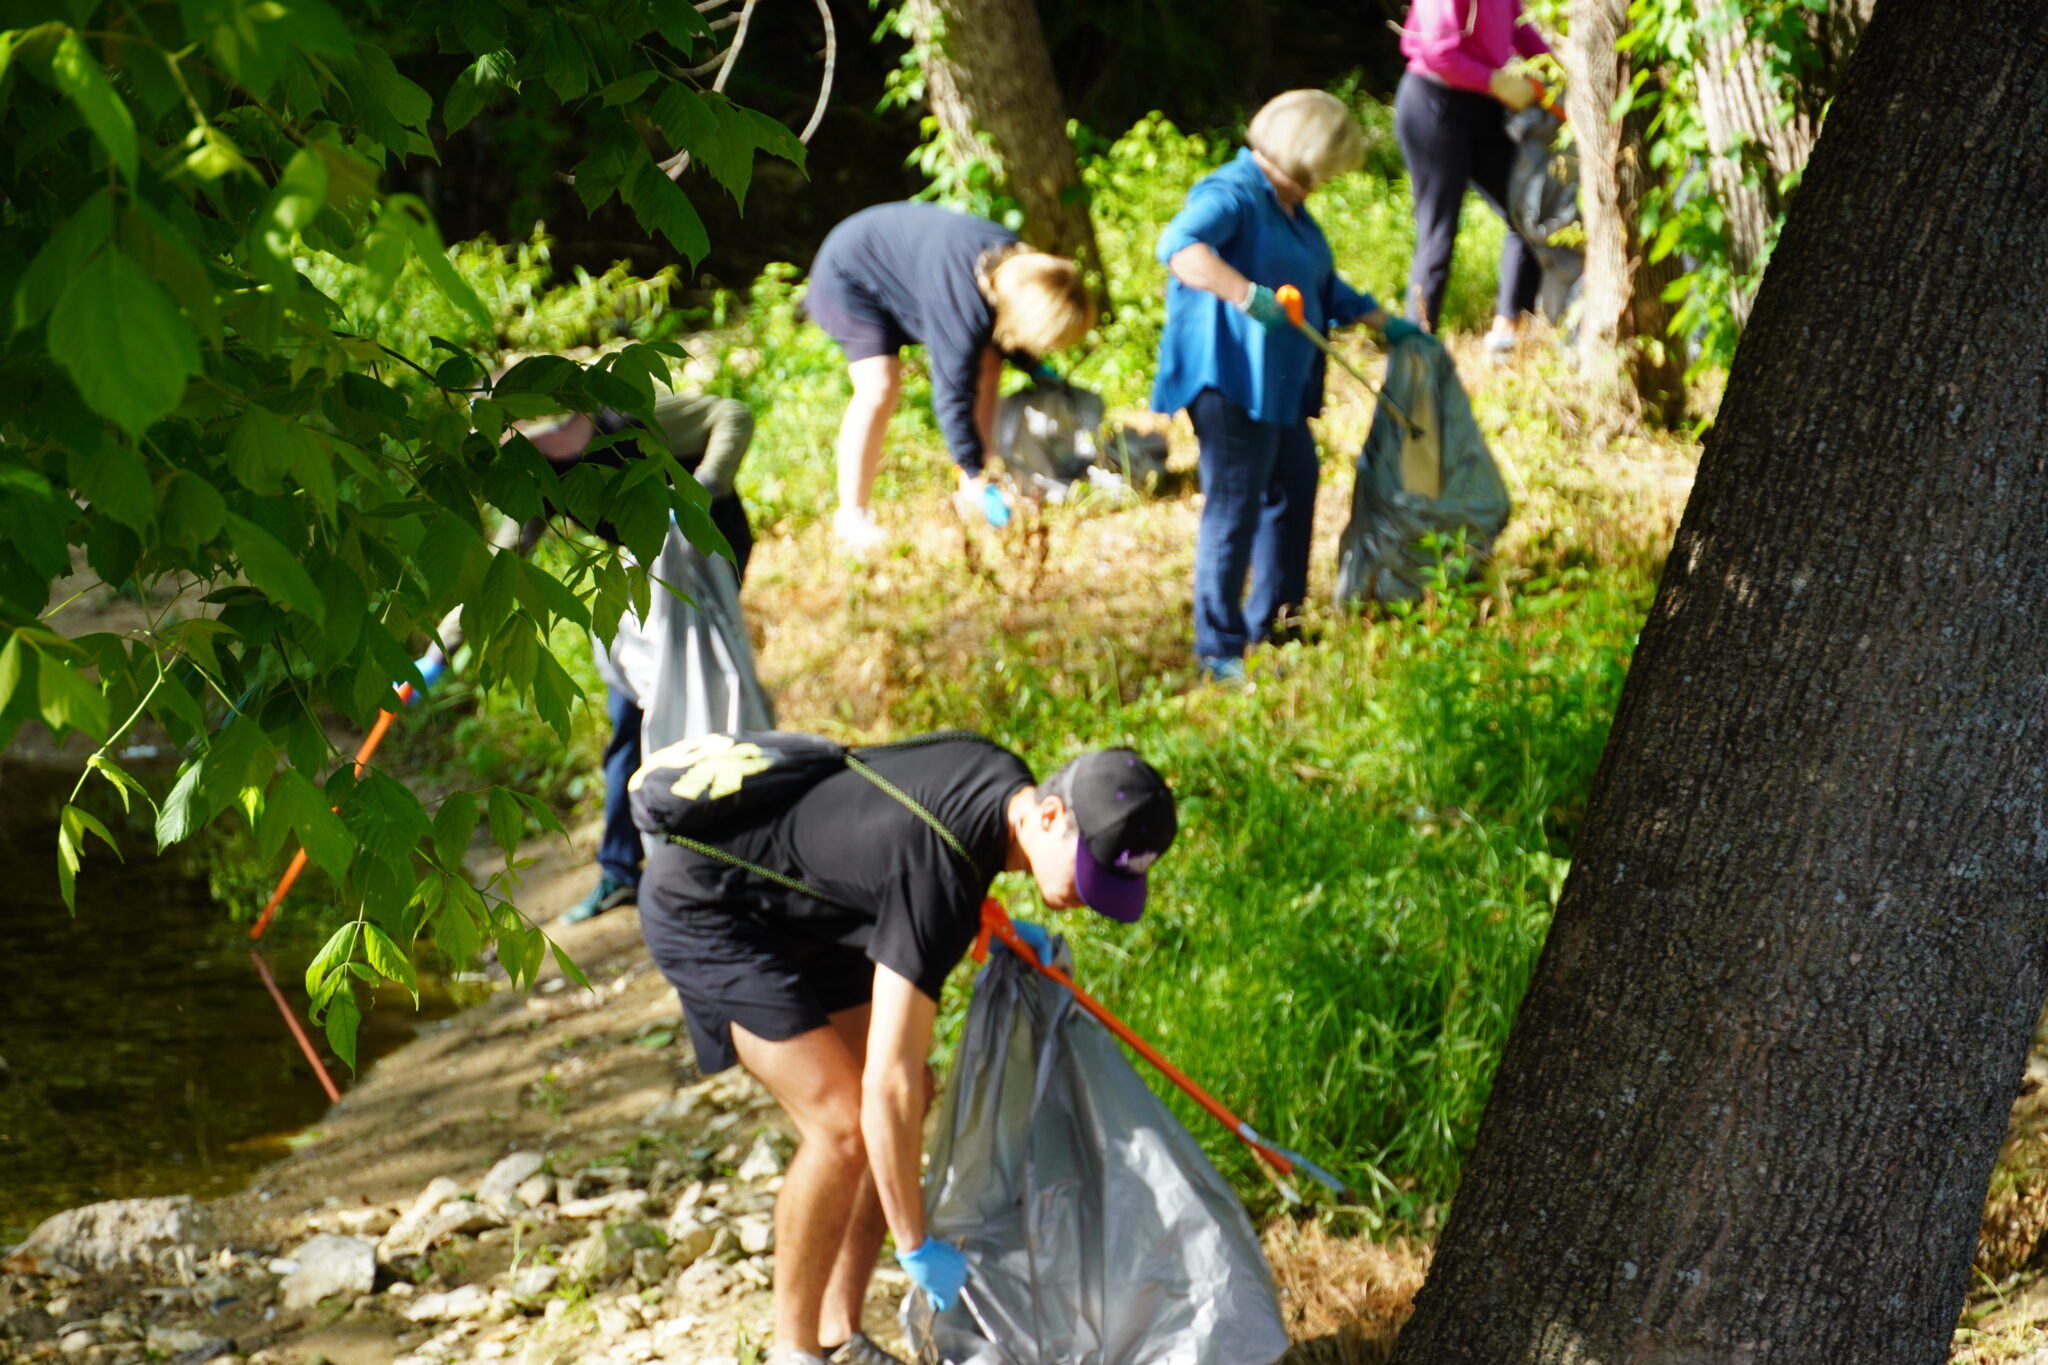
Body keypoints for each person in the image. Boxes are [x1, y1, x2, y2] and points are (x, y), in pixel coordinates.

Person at [635, 737, 1179, 1365]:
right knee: (842, 1126)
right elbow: (883, 1084)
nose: (1090, 896)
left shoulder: (1003, 782)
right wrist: (914, 1243)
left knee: (910, 1097)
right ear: (1051, 817)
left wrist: (980, 916)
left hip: (816, 913)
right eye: (1090, 873)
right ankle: (793, 1349)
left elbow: (886, 849)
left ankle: (840, 1333)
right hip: (713, 908)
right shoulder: (941, 869)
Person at [1152, 90, 1421, 685]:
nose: (1328, 180)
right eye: (1329, 167)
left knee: (1294, 489)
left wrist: (1386, 322)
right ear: (1308, 155)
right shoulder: (1235, 192)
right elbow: (1178, 248)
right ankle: (1217, 650)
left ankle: (1276, 625)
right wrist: (1246, 295)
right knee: (1236, 505)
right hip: (1228, 380)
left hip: (1278, 384)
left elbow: (1323, 287)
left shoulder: (1291, 208)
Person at [531, 390, 760, 924]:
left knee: (696, 701)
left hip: (706, 556)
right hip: (644, 577)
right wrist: (439, 652)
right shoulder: (534, 473)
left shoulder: (624, 416)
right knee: (627, 714)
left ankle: (725, 851)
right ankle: (621, 871)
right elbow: (503, 558)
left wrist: (703, 488)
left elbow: (733, 413)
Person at [804, 203, 1096, 554]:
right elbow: (952, 395)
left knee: (990, 364)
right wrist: (968, 468)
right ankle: (852, 517)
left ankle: (979, 480)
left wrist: (1036, 370)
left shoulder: (1019, 268)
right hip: (849, 272)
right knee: (879, 386)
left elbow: (1007, 337)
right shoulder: (961, 305)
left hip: (911, 264)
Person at [1394, 0, 1553, 355]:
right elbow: (1439, 52)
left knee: (1526, 213)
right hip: (1435, 103)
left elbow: (1521, 28)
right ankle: (1414, 356)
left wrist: (1557, 77)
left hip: (1481, 105)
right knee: (1438, 236)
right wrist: (1496, 81)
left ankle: (1507, 339)